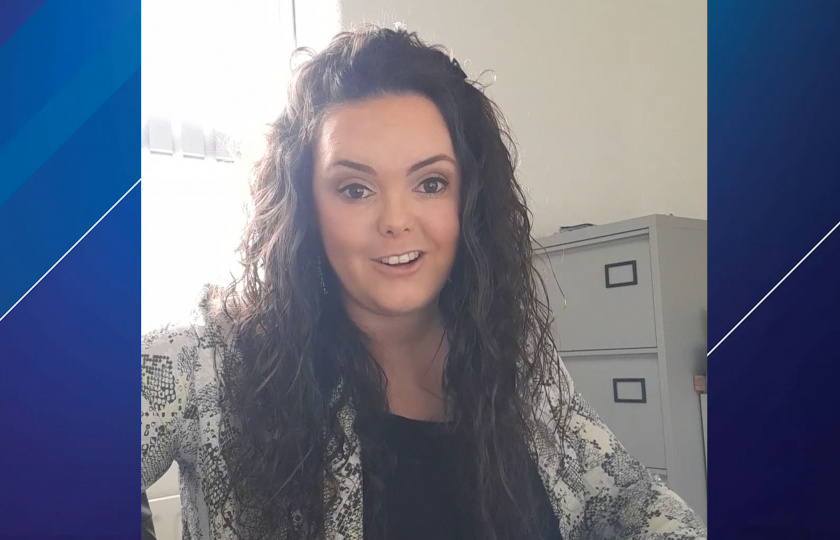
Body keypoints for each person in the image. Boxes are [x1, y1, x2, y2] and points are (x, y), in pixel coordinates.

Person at [141, 25, 706, 540]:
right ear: (305, 207)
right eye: (355, 189)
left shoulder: (511, 358)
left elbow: (619, 496)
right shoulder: (214, 363)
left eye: (430, 183)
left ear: (469, 200)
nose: (396, 219)